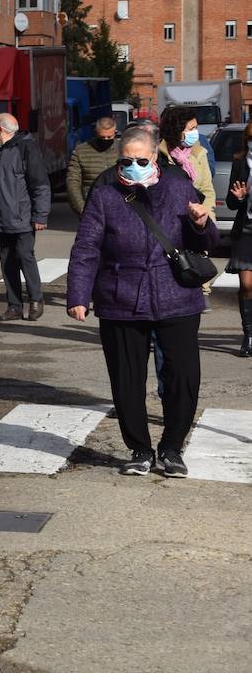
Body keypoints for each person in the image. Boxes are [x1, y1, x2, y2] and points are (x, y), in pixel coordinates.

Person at [66, 125, 217, 477]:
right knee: (126, 379)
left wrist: (200, 222)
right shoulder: (105, 196)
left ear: (155, 157)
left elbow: (208, 241)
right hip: (121, 298)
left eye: (141, 159)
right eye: (126, 160)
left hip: (175, 297)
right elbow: (86, 248)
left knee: (183, 377)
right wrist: (78, 295)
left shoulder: (179, 187)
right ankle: (139, 449)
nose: (133, 165)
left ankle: (171, 448)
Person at [0, 113, 51, 322]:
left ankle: (36, 300)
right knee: (7, 262)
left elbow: (40, 184)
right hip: (1, 219)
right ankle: (14, 306)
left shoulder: (26, 148)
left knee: (24, 257)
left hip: (22, 218)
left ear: (1, 129)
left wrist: (40, 215)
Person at [158, 106, 215, 207]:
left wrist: (207, 218)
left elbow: (207, 190)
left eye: (196, 128)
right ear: (177, 131)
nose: (195, 132)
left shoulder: (199, 153)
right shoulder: (158, 156)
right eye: (191, 129)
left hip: (196, 218)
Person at [227, 123, 252, 356]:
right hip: (246, 229)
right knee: (246, 285)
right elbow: (230, 203)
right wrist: (240, 198)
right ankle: (249, 335)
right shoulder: (240, 162)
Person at [66, 116, 119, 215]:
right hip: (91, 205)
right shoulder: (81, 151)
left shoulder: (123, 149)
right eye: (102, 137)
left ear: (115, 133)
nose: (106, 140)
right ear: (96, 133)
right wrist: (81, 207)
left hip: (118, 205)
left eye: (109, 137)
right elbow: (73, 181)